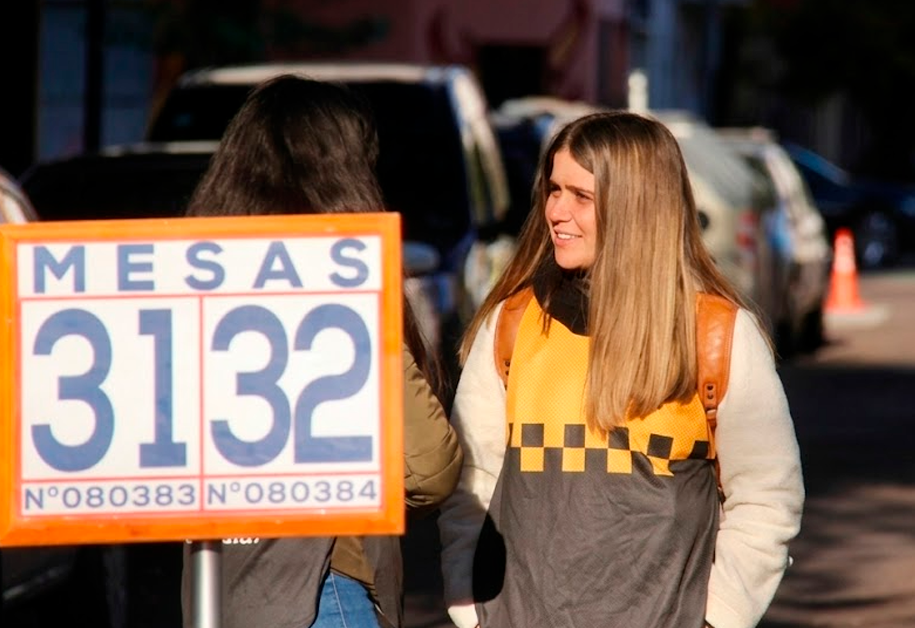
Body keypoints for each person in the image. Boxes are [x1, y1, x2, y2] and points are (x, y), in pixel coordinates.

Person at [437, 110, 805, 628]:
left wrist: (718, 619)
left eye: (581, 196)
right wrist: (469, 604)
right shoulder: (513, 324)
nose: (556, 211)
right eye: (553, 189)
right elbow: (471, 480)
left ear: (636, 206)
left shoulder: (715, 335)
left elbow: (768, 497)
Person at [178, 74, 464, 628]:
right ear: (342, 176)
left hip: (217, 590)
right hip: (325, 589)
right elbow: (429, 467)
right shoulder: (341, 295)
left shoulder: (188, 290)